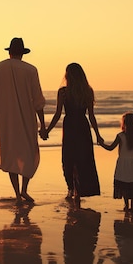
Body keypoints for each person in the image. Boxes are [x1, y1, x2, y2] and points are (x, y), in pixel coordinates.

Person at [0, 37, 47, 205]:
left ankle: (17, 194)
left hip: (7, 120)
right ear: (22, 53)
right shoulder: (31, 70)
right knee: (28, 153)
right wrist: (42, 124)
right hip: (27, 119)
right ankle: (24, 190)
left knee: (12, 154)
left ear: (9, 52)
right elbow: (38, 100)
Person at [46, 63, 102, 208]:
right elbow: (91, 116)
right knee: (83, 159)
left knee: (69, 159)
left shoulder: (63, 92)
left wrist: (47, 130)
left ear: (68, 75)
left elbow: (58, 114)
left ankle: (72, 189)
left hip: (70, 126)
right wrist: (97, 135)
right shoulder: (87, 91)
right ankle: (78, 190)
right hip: (82, 126)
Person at [99, 112, 133, 214]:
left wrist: (101, 144)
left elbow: (111, 148)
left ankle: (126, 205)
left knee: (124, 184)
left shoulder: (120, 136)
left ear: (124, 123)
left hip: (122, 163)